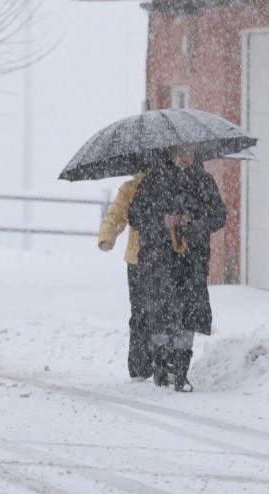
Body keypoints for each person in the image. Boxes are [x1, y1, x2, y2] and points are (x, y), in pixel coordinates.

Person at [127, 144, 226, 392]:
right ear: (170, 153)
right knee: (161, 315)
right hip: (159, 262)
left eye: (190, 152)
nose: (185, 157)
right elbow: (135, 215)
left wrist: (190, 220)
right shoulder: (153, 182)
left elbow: (218, 216)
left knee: (188, 317)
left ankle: (181, 371)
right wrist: (162, 221)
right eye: (180, 152)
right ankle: (162, 367)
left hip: (192, 262)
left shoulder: (203, 181)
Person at [97, 172, 153, 381]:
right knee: (140, 313)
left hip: (164, 259)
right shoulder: (130, 188)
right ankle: (140, 366)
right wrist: (107, 236)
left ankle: (160, 363)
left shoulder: (170, 183)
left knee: (160, 312)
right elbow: (117, 215)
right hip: (137, 258)